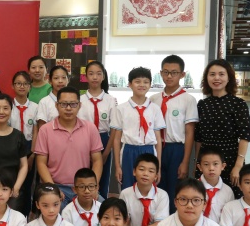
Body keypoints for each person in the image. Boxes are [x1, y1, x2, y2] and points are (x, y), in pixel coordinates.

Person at [35, 87, 103, 208]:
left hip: (83, 186)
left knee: (104, 210)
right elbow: (41, 163)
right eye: (63, 104)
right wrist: (53, 188)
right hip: (56, 186)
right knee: (55, 212)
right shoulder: (45, 130)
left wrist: (92, 187)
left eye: (73, 104)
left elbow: (97, 160)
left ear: (79, 105)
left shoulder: (90, 128)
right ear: (56, 105)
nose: (68, 108)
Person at [195, 59, 250, 199]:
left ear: (229, 78)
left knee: (230, 199)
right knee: (203, 197)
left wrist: (238, 166)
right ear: (206, 78)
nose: (216, 78)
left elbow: (245, 136)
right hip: (206, 162)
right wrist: (197, 163)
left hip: (230, 160)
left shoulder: (238, 104)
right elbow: (199, 138)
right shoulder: (202, 104)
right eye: (212, 74)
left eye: (221, 74)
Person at [150, 55, 199, 213]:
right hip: (156, 148)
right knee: (156, 187)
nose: (169, 76)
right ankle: (158, 220)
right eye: (166, 72)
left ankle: (173, 220)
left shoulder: (188, 100)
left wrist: (185, 161)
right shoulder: (153, 99)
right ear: (160, 73)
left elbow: (189, 132)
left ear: (182, 74)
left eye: (174, 73)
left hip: (176, 149)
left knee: (174, 189)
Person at [112, 67, 165, 190]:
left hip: (149, 150)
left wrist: (158, 167)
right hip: (128, 151)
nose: (142, 85)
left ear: (150, 84)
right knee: (127, 186)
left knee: (148, 188)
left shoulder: (155, 109)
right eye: (137, 81)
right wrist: (117, 166)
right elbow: (116, 139)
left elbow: (158, 139)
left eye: (146, 82)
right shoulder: (121, 109)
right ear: (130, 84)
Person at [78, 61, 117, 200]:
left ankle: (101, 206)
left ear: (103, 77)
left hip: (104, 139)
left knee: (103, 178)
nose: (95, 77)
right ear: (85, 77)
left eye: (99, 74)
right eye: (91, 74)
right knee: (83, 177)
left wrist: (106, 152)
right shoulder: (80, 100)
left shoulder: (111, 100)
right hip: (83, 139)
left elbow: (114, 128)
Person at [10, 71, 38, 203]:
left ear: (30, 87)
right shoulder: (7, 106)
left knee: (28, 184)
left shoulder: (35, 107)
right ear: (12, 86)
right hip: (11, 146)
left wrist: (32, 155)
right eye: (18, 83)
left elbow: (36, 132)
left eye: (25, 84)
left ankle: (26, 212)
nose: (22, 86)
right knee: (12, 181)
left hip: (29, 146)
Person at [196, 146, 234, 223]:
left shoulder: (228, 191)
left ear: (223, 166)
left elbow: (230, 217)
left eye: (215, 164)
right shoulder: (192, 188)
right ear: (200, 167)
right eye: (206, 164)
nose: (211, 168)